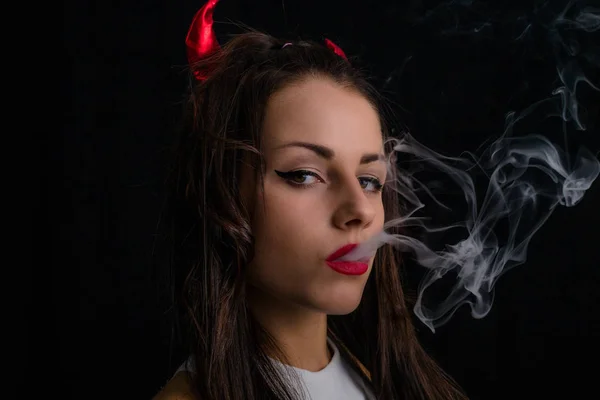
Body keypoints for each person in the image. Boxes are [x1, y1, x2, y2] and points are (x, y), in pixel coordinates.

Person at [153, 0, 468, 398]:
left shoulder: (380, 381)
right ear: (222, 193)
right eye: (304, 175)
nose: (358, 211)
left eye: (370, 180)